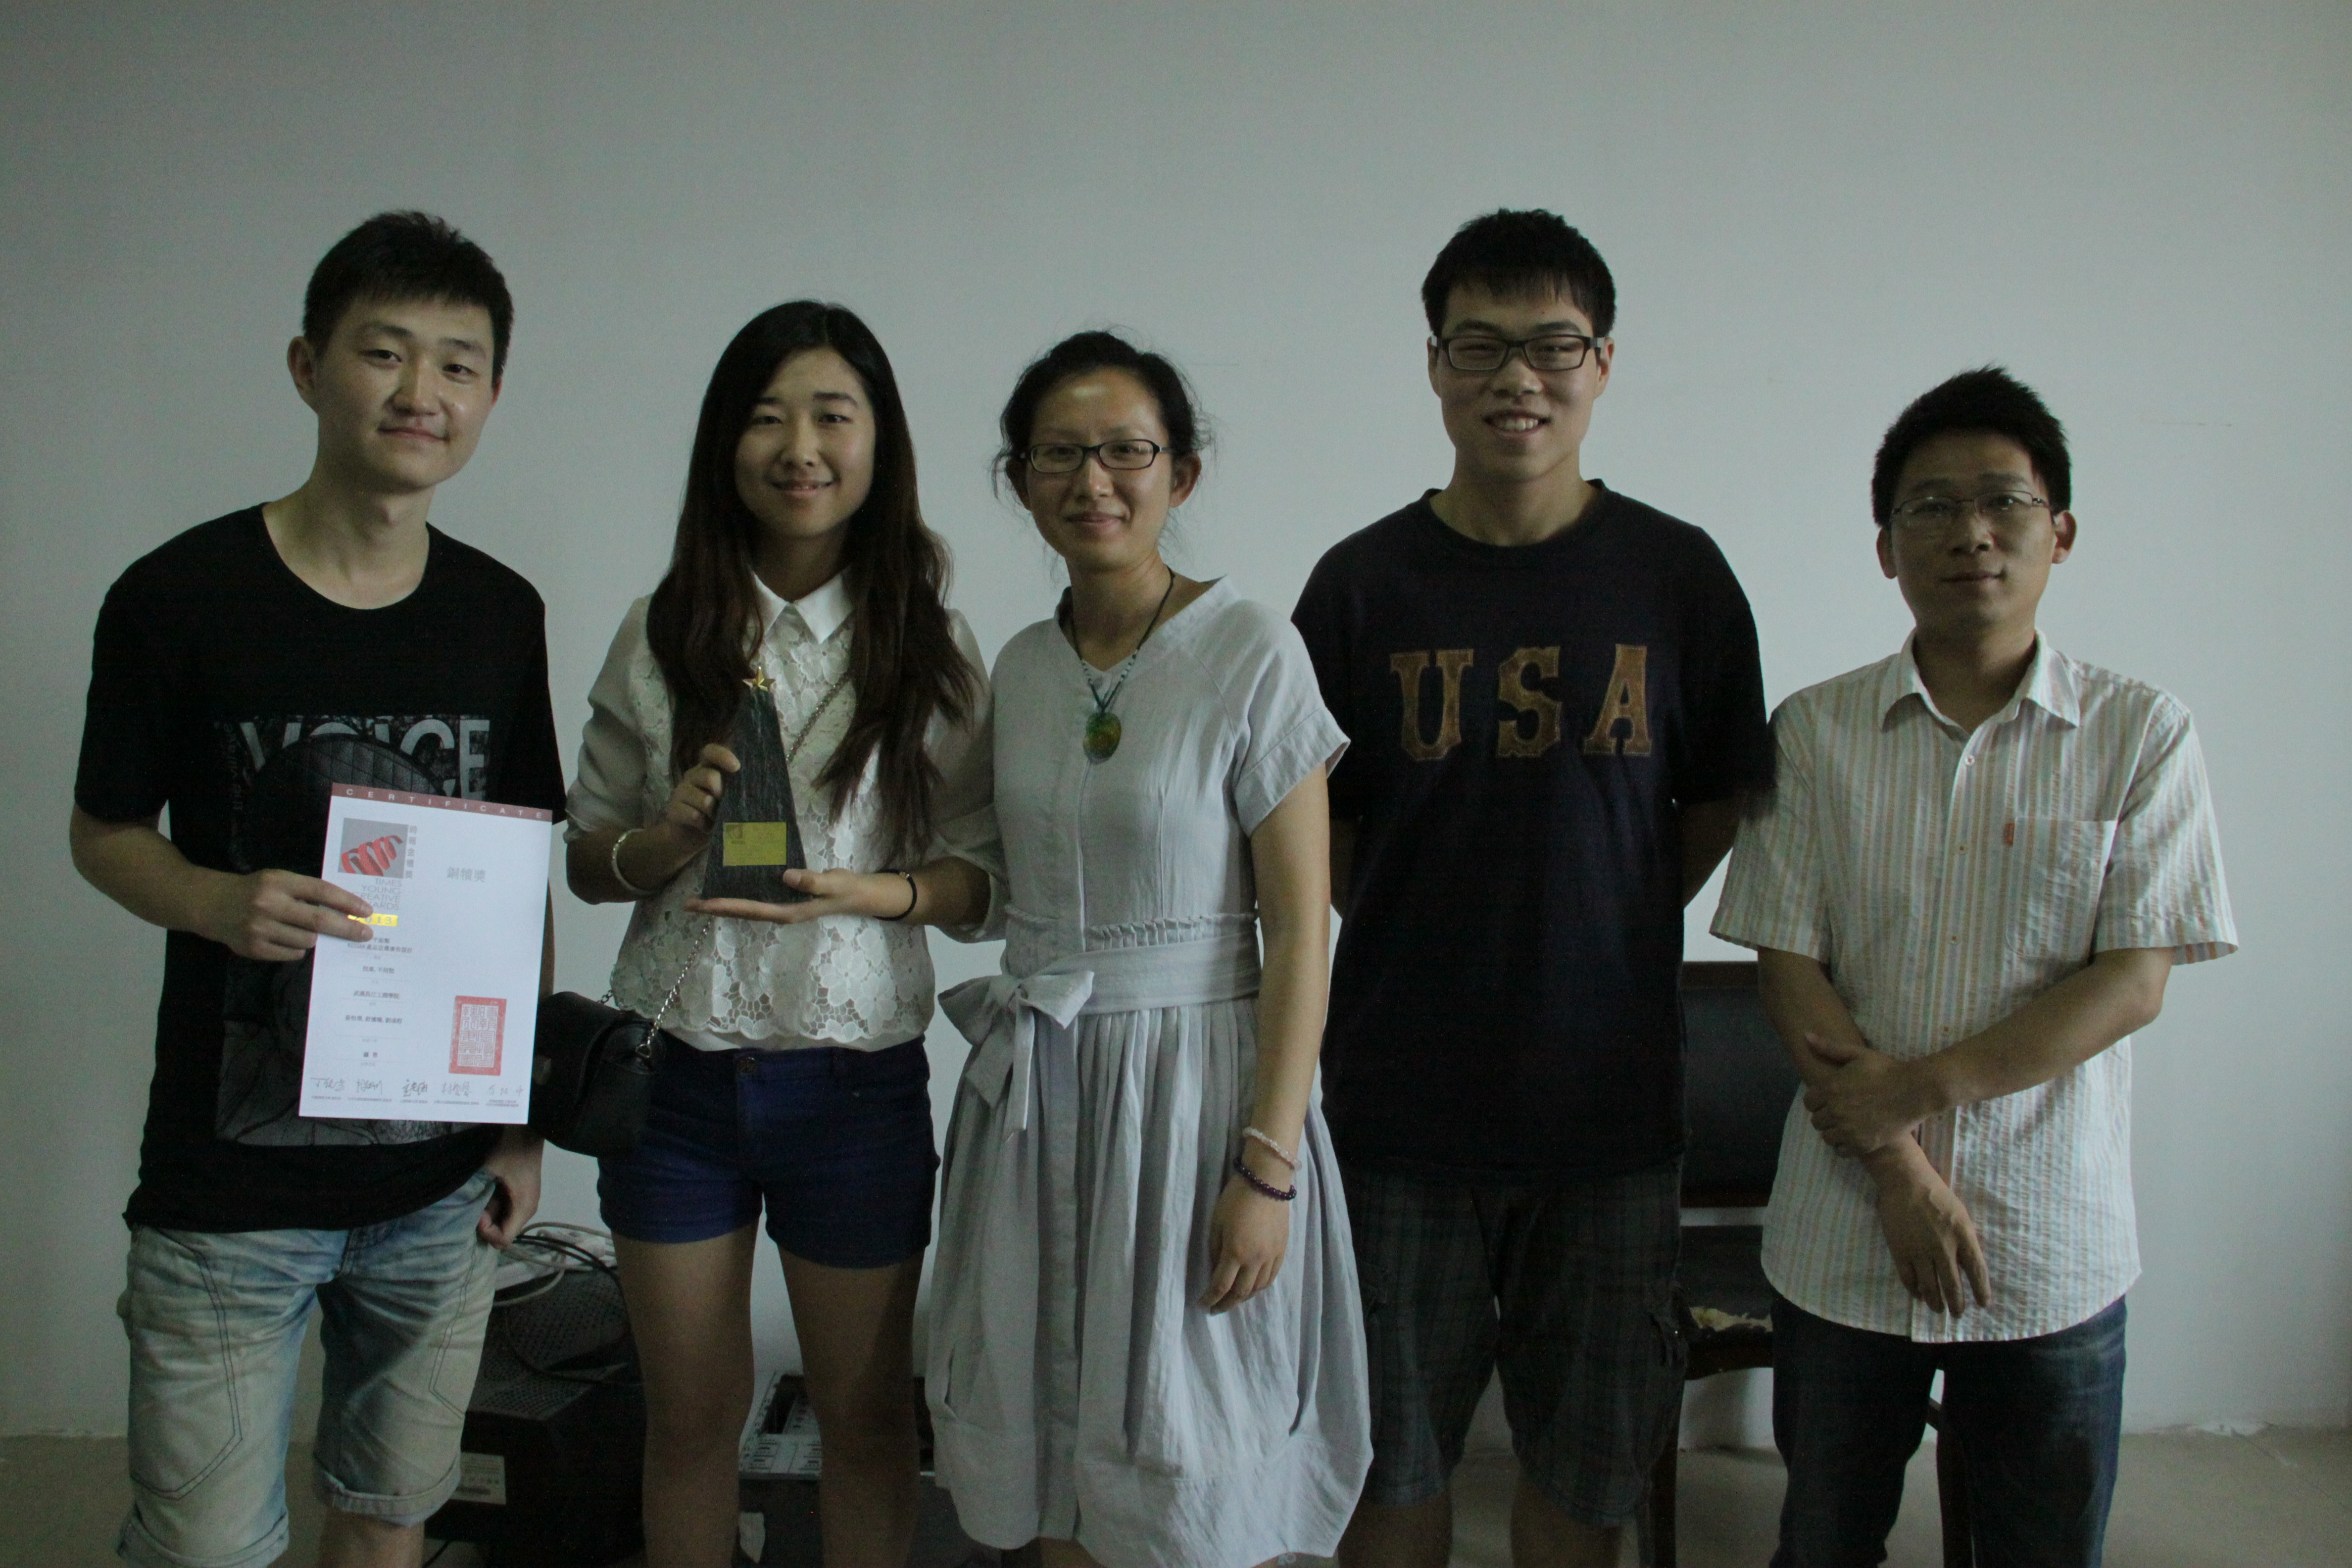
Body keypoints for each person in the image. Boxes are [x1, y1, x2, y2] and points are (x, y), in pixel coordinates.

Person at [69, 211, 561, 1568]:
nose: (422, 393)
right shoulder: (178, 598)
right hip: (227, 1190)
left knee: (390, 1515)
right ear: (307, 366)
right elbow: (103, 834)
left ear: (491, 396)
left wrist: (521, 1121)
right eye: (384, 353)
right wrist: (214, 901)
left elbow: (516, 880)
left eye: (458, 365)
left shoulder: (499, 614)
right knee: (206, 1547)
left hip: (437, 1188)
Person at [1290, 209, 1775, 1568]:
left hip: (1607, 1112)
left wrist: (1606, 915)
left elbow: (1719, 799)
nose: (1518, 378)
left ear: (1603, 363)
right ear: (1435, 366)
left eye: (1554, 346)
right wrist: (1423, 914)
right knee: (1386, 1464)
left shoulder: (1678, 576)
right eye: (1480, 346)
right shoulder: (1359, 586)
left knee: (1588, 1469)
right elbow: (1313, 826)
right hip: (1398, 1109)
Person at [1711, 367, 2236, 1567]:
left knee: (2039, 1549)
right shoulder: (1815, 733)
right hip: (1845, 1234)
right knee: (1825, 1539)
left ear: (2061, 532)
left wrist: (1921, 1088)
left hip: (2051, 1242)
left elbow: (2133, 980)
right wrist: (1900, 1165)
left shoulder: (2141, 735)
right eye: (1932, 507)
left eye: (2004, 501)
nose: (1972, 533)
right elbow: (1789, 966)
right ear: (1886, 548)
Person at [927, 330, 1370, 1568]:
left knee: (1191, 1441)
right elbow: (989, 883)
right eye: (1059, 455)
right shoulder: (1023, 666)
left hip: (1196, 1097)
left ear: (1183, 472)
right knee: (1052, 1439)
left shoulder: (1252, 651)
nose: (1094, 481)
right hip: (1040, 1097)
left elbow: (1301, 930)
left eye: (1126, 451)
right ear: (1020, 480)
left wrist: (1269, 1167)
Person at [563, 300, 996, 1568]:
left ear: (878, 442)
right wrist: (664, 841)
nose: (800, 448)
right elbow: (588, 860)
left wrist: (878, 895)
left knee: (866, 1421)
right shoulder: (662, 629)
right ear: (726, 445)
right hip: (673, 1082)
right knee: (691, 1419)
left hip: (854, 1087)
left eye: (831, 416)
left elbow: (986, 882)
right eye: (766, 418)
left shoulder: (929, 644)